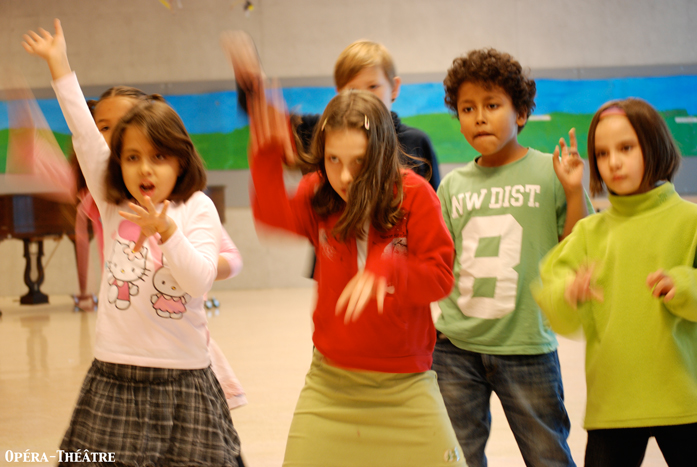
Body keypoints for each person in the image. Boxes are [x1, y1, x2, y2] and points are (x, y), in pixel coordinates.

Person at [23, 19, 242, 466]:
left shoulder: (196, 208)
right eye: (132, 157)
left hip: (183, 377)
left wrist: (167, 233)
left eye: (159, 157)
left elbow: (199, 281)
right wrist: (59, 64)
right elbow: (85, 135)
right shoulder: (111, 202)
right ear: (117, 164)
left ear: (181, 160)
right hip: (114, 373)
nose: (145, 169)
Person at [247, 84, 463, 466]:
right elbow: (272, 215)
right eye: (332, 159)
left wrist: (390, 269)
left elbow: (441, 276)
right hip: (331, 384)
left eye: (359, 161)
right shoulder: (320, 192)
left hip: (406, 385)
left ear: (380, 154)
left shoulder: (414, 195)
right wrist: (265, 155)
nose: (344, 176)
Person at [432, 48, 592, 467]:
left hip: (527, 346)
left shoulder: (551, 172)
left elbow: (576, 248)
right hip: (454, 347)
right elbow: (441, 262)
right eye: (467, 108)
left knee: (548, 454)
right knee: (456, 457)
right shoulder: (451, 186)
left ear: (520, 113)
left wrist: (574, 191)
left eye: (492, 105)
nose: (479, 117)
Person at [533, 98, 697, 467]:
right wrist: (569, 293)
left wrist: (684, 286)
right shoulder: (590, 231)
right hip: (614, 404)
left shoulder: (690, 221)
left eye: (626, 148)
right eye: (602, 154)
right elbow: (551, 292)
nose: (613, 162)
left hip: (686, 401)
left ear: (653, 145)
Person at [223, 33, 441, 190]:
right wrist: (252, 85)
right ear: (340, 95)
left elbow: (435, 218)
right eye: (353, 90)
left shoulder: (417, 142)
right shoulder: (322, 133)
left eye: (373, 86)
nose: (364, 96)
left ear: (394, 87)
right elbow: (266, 117)